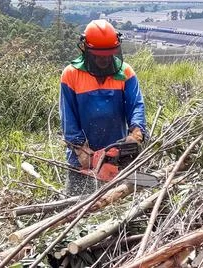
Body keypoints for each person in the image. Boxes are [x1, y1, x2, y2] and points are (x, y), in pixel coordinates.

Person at [59, 19, 147, 196]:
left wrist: (136, 133)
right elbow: (68, 117)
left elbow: (136, 105)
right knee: (76, 205)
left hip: (117, 154)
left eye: (108, 54)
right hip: (82, 157)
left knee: (119, 204)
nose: (104, 59)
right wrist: (80, 150)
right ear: (85, 49)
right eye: (99, 55)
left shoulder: (126, 73)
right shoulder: (71, 75)